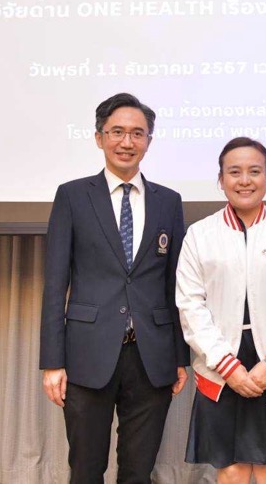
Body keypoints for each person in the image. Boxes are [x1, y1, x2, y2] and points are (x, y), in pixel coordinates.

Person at [39, 93, 189, 484]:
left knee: (138, 472)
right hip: (87, 355)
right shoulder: (72, 196)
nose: (127, 142)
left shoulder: (168, 201)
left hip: (151, 357)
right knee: (86, 469)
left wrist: (179, 356)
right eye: (117, 132)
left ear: (148, 141)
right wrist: (53, 362)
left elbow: (175, 285)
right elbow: (55, 284)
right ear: (99, 137)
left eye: (137, 133)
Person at [176, 137, 266, 484]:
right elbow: (191, 306)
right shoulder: (199, 234)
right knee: (232, 470)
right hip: (220, 367)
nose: (244, 180)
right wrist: (229, 368)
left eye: (254, 171)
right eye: (234, 172)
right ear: (220, 179)